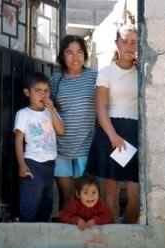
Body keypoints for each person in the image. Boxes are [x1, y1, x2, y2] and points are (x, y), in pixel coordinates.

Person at [86, 24, 139, 224]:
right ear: (117, 43)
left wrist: (145, 68)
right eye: (124, 41)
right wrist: (112, 135)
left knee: (136, 196)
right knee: (111, 192)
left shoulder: (142, 71)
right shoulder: (106, 72)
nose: (129, 46)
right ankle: (113, 236)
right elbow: (100, 107)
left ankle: (128, 235)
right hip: (111, 132)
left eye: (133, 42)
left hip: (135, 131)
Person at [50, 35, 97, 210]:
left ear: (85, 54)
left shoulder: (94, 77)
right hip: (60, 147)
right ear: (62, 56)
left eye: (79, 52)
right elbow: (49, 110)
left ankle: (85, 236)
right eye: (69, 52)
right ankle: (65, 234)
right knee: (67, 197)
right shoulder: (56, 80)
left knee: (84, 197)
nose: (75, 57)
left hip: (85, 146)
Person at [14, 72, 65, 222]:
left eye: (46, 91)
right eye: (38, 90)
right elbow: (18, 140)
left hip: (50, 165)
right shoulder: (24, 114)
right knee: (30, 201)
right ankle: (26, 232)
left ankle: (42, 231)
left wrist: (52, 110)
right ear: (27, 92)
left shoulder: (51, 112)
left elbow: (61, 131)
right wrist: (21, 164)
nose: (43, 94)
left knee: (46, 203)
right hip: (32, 164)